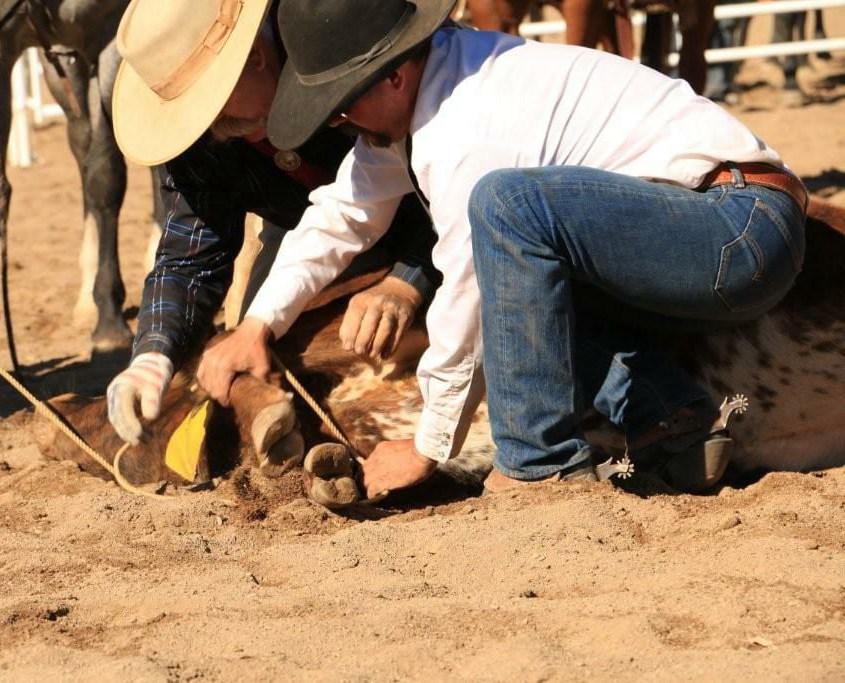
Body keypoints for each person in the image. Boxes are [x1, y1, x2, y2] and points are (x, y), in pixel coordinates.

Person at [197, 0, 808, 498]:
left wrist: (426, 445)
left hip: (734, 229)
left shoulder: (465, 125)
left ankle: (538, 465)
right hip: (719, 225)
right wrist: (257, 324)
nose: (338, 123)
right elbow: (343, 211)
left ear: (392, 73)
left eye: (342, 103)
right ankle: (670, 419)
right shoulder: (433, 89)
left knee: (506, 208)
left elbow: (467, 290)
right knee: (533, 269)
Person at [105, 0, 440, 452]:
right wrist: (153, 349)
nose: (212, 127)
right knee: (251, 359)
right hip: (309, 245)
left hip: (435, 221)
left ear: (256, 58)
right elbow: (191, 251)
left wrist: (408, 279)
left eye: (212, 103)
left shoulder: (344, 32)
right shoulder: (207, 138)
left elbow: (460, 178)